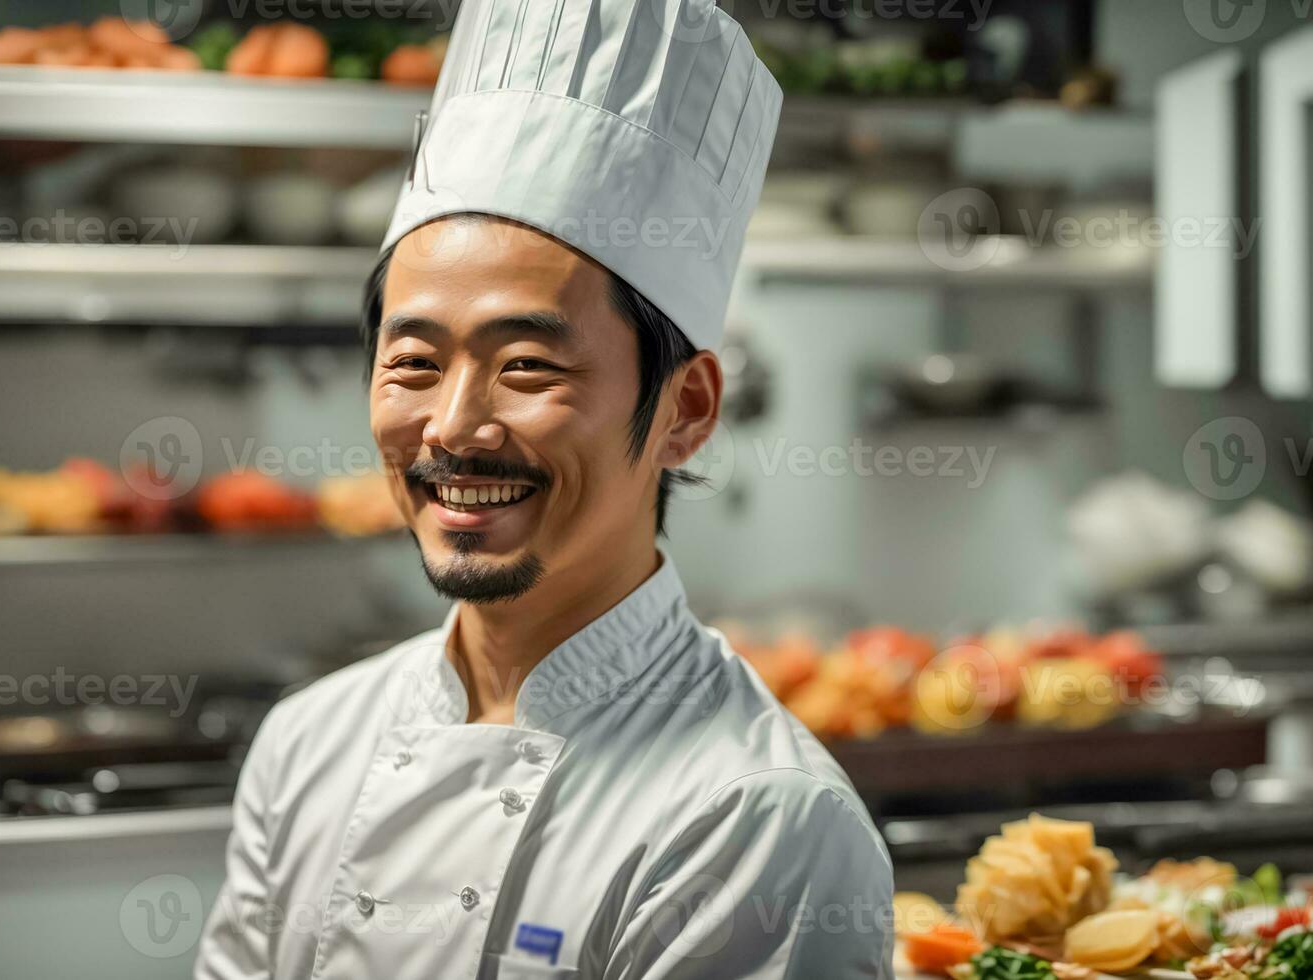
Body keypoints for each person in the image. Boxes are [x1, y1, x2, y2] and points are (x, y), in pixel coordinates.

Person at [195, 0, 895, 975]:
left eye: (526, 365)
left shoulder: (755, 818)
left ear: (685, 408)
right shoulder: (309, 741)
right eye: (412, 362)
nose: (450, 426)